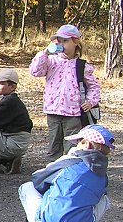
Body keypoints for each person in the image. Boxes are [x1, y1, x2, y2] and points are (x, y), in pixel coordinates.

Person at [18, 124, 114, 222]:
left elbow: (37, 180)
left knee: (27, 187)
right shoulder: (102, 175)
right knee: (103, 199)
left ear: (87, 144)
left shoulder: (68, 162)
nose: (75, 146)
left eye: (79, 142)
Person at [29, 24, 101, 159]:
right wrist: (44, 53)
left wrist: (90, 101)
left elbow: (94, 86)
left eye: (65, 41)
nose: (61, 44)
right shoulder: (51, 61)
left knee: (71, 146)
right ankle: (54, 168)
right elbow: (35, 71)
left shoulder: (81, 66)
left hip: (73, 111)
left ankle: (71, 167)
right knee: (54, 145)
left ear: (75, 42)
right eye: (59, 41)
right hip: (53, 110)